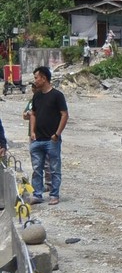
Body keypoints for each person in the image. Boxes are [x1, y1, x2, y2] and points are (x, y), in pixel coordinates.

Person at [29, 66, 68, 206]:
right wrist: (32, 132)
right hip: (37, 139)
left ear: (44, 78)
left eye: (36, 78)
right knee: (36, 169)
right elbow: (33, 114)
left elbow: (64, 115)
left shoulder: (57, 96)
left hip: (52, 140)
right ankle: (37, 194)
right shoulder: (37, 95)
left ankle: (54, 195)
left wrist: (57, 134)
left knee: (54, 169)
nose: (35, 81)